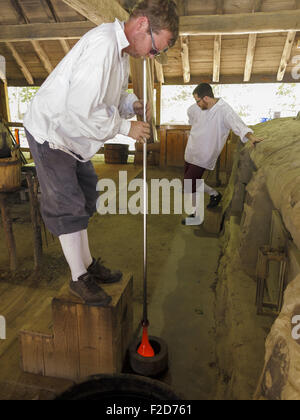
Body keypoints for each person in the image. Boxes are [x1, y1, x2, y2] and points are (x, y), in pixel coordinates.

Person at [23, 0, 179, 305]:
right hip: (53, 131)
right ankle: (78, 277)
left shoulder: (120, 51)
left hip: (75, 137)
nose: (151, 55)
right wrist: (126, 128)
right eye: (154, 49)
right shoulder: (102, 47)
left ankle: (87, 263)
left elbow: (109, 94)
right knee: (68, 205)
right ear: (143, 25)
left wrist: (130, 104)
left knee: (87, 196)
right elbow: (81, 109)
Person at [182, 83, 264, 226]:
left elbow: (238, 124)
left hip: (205, 153)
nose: (196, 104)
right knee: (191, 183)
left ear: (206, 98)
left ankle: (195, 214)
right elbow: (190, 115)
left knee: (189, 183)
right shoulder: (194, 108)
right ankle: (214, 194)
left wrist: (251, 137)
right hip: (191, 150)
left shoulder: (224, 110)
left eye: (198, 101)